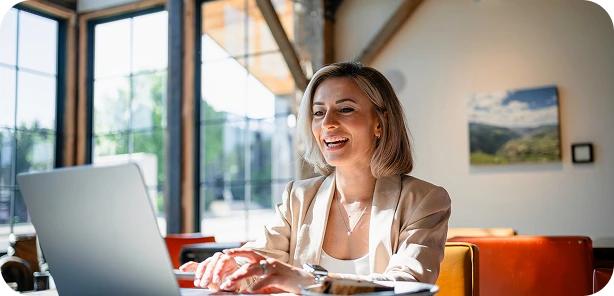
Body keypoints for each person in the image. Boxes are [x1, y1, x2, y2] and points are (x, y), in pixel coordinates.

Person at [180, 62, 451, 294]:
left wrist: (308, 282)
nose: (327, 123)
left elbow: (406, 285)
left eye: (345, 109)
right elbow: (262, 263)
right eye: (318, 112)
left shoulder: (424, 200)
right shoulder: (298, 197)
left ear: (380, 123)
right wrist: (231, 269)